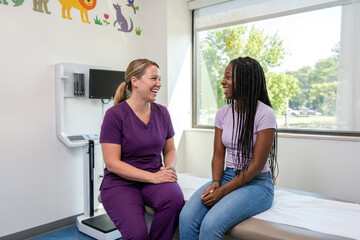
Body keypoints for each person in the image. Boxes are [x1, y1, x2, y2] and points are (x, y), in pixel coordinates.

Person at [179, 56, 278, 240]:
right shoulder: (223, 113)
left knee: (210, 225)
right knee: (186, 218)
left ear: (245, 81)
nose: (223, 81)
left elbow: (256, 165)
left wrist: (223, 192)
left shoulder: (265, 114)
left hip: (257, 183)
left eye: (228, 77)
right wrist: (216, 182)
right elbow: (218, 155)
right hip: (226, 176)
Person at [99, 59, 184, 240]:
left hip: (154, 175)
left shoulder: (162, 113)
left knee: (174, 201)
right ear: (134, 81)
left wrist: (168, 169)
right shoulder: (115, 115)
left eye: (159, 79)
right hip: (120, 182)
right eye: (153, 78)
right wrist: (153, 177)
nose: (158, 84)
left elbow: (170, 150)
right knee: (137, 235)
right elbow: (112, 163)